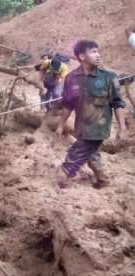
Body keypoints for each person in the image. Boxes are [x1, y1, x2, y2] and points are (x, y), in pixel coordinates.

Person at [55, 40, 127, 189]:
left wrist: (122, 128)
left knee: (75, 154)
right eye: (93, 52)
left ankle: (63, 176)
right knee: (91, 154)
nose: (98, 55)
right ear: (81, 56)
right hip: (81, 126)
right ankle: (103, 180)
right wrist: (61, 125)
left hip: (98, 128)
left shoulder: (108, 77)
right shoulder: (71, 78)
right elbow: (68, 105)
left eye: (97, 51)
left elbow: (117, 103)